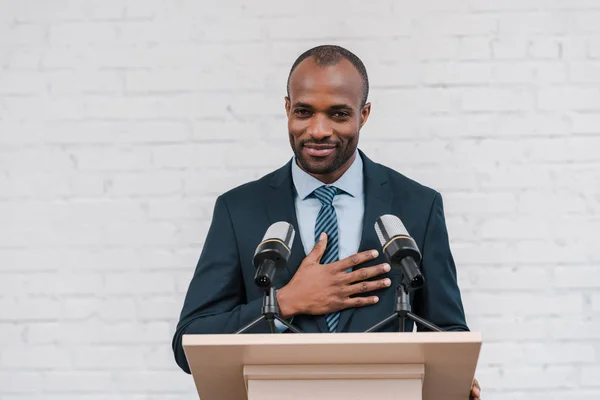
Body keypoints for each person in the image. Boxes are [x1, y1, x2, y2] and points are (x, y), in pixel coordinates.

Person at [172, 45, 481, 399]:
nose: (318, 130)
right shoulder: (237, 209)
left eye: (338, 114)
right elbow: (189, 344)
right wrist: (286, 302)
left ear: (364, 114)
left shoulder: (418, 205)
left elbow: (446, 331)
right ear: (287, 108)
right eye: (304, 112)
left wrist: (457, 377)